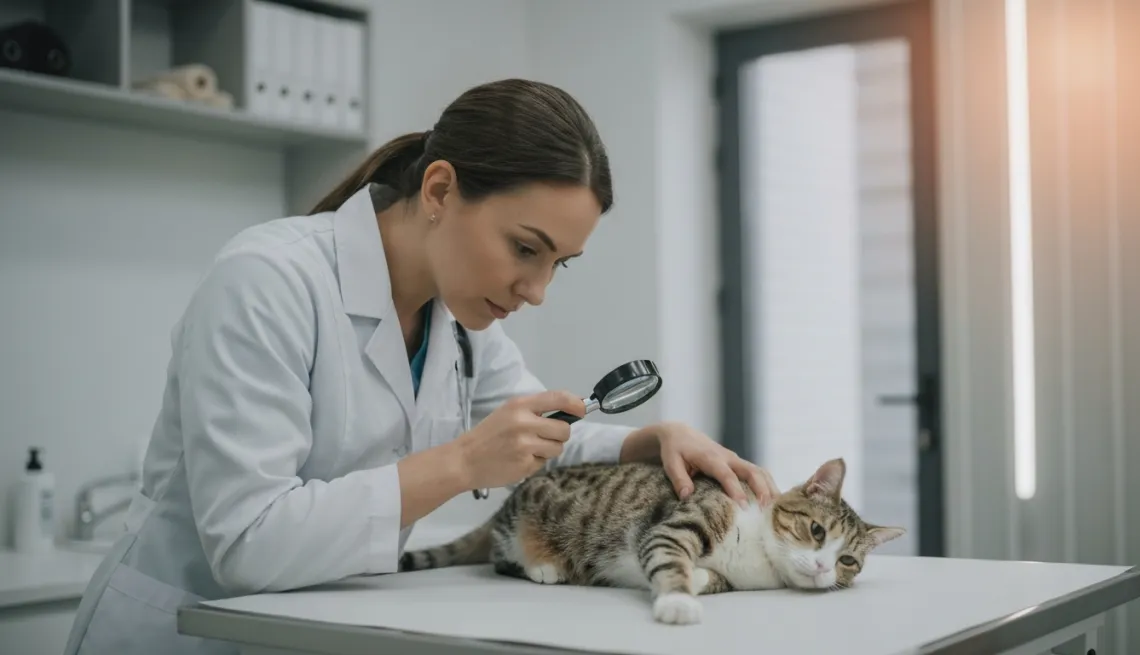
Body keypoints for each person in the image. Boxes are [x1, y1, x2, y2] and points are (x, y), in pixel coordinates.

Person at [62, 78, 778, 655]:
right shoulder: (266, 280)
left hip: (310, 627)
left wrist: (645, 441)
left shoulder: (458, 318)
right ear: (439, 191)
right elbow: (247, 543)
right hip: (180, 629)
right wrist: (461, 464)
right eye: (524, 248)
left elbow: (529, 429)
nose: (536, 290)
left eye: (559, 263)